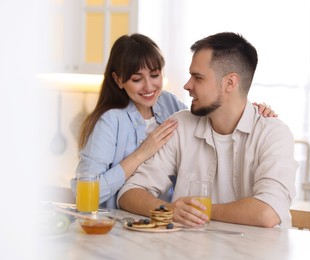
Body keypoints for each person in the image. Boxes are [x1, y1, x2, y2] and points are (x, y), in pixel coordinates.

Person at [71, 33, 276, 209]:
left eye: (155, 75)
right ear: (118, 80)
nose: (148, 86)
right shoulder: (110, 121)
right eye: (136, 79)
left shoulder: (168, 103)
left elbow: (207, 116)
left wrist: (250, 110)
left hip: (161, 224)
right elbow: (84, 194)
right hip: (114, 225)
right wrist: (142, 153)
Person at [118, 32, 297, 228]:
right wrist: (168, 209)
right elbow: (129, 192)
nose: (187, 85)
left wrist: (199, 211)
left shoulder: (273, 134)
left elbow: (267, 212)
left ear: (230, 82)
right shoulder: (181, 126)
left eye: (198, 77)